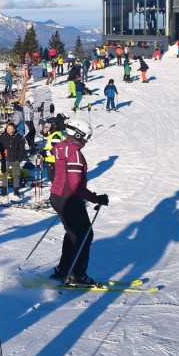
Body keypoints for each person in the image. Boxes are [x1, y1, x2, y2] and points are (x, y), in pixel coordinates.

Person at [50, 117, 109, 286]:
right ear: (77, 134)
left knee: (73, 233)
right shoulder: (75, 154)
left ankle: (64, 270)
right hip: (70, 198)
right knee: (84, 235)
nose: (86, 141)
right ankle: (77, 274)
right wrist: (96, 198)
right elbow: (76, 185)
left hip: (58, 196)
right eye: (85, 137)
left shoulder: (61, 147)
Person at [0, 121, 26, 199]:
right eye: (7, 128)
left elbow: (22, 149)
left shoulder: (19, 137)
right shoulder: (2, 136)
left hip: (15, 159)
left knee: (16, 175)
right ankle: (4, 191)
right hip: (5, 159)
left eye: (10, 128)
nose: (8, 130)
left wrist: (20, 159)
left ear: (14, 129)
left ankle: (16, 190)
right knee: (4, 175)